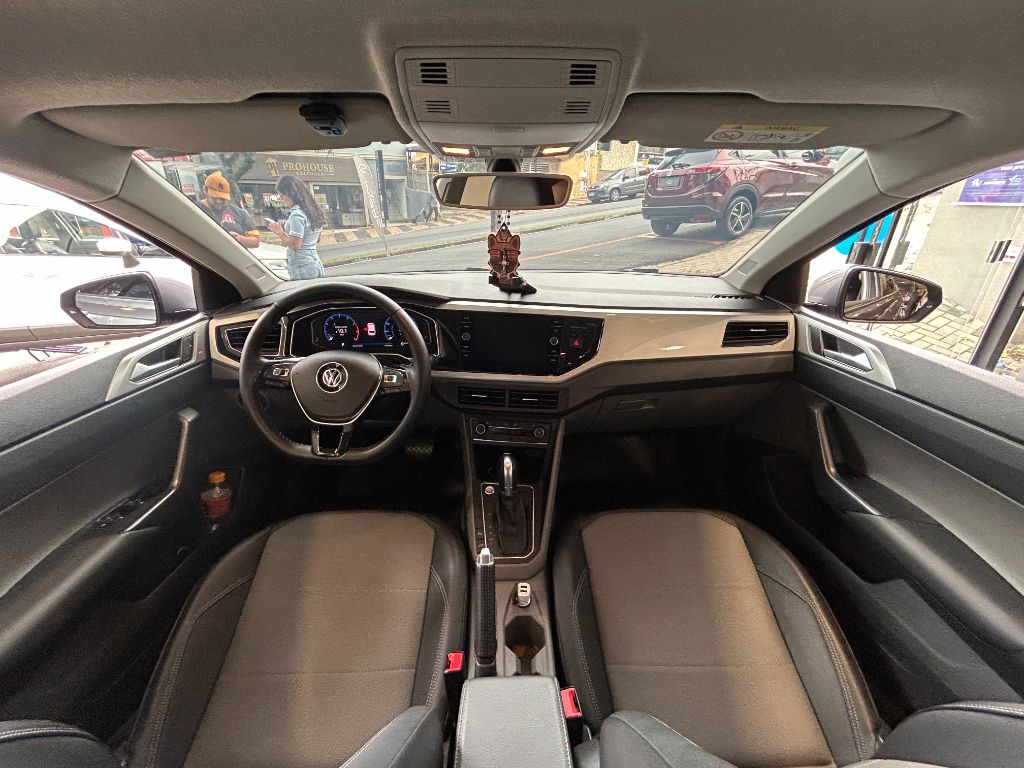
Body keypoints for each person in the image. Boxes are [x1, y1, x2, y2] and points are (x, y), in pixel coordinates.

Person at [266, 174, 326, 280]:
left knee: (304, 290)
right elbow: (317, 239)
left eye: (281, 196)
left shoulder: (296, 215)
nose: (282, 200)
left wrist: (280, 233)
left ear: (290, 194)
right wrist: (288, 227)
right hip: (315, 261)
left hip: (301, 263)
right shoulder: (314, 211)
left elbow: (295, 246)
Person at [198, 172, 260, 248]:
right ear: (205, 190)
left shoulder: (240, 213)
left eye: (222, 198)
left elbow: (256, 241)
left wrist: (239, 239)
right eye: (214, 197)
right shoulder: (194, 209)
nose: (219, 201)